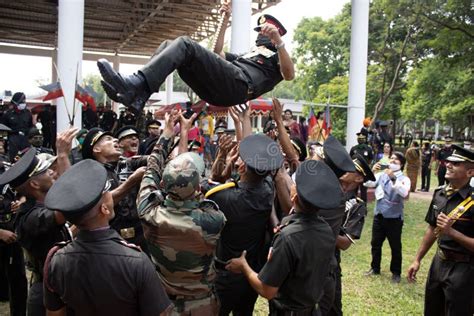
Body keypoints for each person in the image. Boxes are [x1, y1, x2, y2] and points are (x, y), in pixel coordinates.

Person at [97, 4, 294, 113]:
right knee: (168, 44)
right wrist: (225, 20)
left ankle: (135, 86)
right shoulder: (249, 53)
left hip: (239, 86)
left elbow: (289, 75)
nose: (261, 34)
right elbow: (218, 53)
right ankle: (139, 94)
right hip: (219, 88)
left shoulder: (278, 55)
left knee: (185, 43)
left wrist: (278, 42)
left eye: (266, 31)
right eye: (260, 31)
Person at [42, 159, 171, 315]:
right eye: (107, 192)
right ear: (104, 209)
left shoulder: (55, 260)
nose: (112, 195)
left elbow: (55, 313)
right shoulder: (136, 261)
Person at [137, 111, 226, 315]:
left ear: (162, 186)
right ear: (198, 190)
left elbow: (151, 168)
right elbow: (204, 198)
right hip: (202, 305)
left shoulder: (149, 213)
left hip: (163, 305)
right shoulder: (212, 220)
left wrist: (168, 133)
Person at [226, 159, 342, 315]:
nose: (291, 185)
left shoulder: (288, 238)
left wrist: (243, 266)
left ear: (294, 197)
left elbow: (267, 290)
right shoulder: (326, 230)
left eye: (294, 185)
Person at [206, 134, 284, 315]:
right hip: (250, 271)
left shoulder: (226, 197)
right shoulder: (267, 188)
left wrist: (221, 155)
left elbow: (212, 183)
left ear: (242, 167)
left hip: (225, 273)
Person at [0, 133, 75, 316]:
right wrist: (63, 155)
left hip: (63, 285)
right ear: (34, 183)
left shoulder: (45, 204)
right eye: (45, 171)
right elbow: (72, 204)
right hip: (47, 293)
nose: (52, 172)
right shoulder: (30, 216)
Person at [407, 145, 473, 315]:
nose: (449, 165)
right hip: (439, 263)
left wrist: (452, 232)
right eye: (449, 162)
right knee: (432, 310)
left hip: (465, 269)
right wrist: (417, 259)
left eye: (456, 164)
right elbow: (432, 228)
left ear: (470, 172)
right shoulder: (439, 194)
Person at [81, 127, 148, 251]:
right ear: (96, 149)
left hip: (140, 237)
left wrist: (172, 133)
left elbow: (156, 159)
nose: (115, 140)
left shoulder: (128, 164)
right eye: (108, 139)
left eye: (114, 138)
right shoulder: (90, 175)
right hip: (110, 242)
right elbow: (101, 204)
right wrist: (131, 182)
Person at [329, 154, 375, 316]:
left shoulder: (356, 206)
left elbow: (344, 243)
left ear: (359, 179)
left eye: (351, 169)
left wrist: (318, 229)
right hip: (307, 254)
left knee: (332, 309)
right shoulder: (325, 190)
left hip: (329, 261)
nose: (344, 169)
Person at [365, 152, 410, 283]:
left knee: (395, 246)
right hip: (379, 214)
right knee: (375, 243)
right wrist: (371, 171)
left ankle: (396, 272)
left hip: (394, 217)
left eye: (397, 160)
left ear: (401, 164)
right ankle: (375, 268)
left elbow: (404, 193)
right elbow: (368, 183)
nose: (393, 161)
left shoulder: (404, 179)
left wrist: (394, 179)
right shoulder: (381, 175)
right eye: (392, 158)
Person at [0, 141, 27, 316]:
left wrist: (23, 200)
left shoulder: (8, 167)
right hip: (2, 232)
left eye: (2, 140)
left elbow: (25, 188)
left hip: (12, 231)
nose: (1, 143)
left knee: (18, 282)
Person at [1, 92, 33, 162]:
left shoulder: (27, 113)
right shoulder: (8, 114)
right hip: (13, 141)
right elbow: (3, 130)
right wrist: (3, 145)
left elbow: (31, 126)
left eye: (25, 101)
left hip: (25, 140)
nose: (24, 103)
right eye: (22, 101)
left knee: (26, 161)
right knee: (15, 161)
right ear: (16, 102)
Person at [350, 132, 374, 201]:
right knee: (354, 189)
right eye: (359, 139)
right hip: (355, 172)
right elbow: (351, 158)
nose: (360, 140)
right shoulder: (354, 149)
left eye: (362, 139)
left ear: (365, 139)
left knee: (364, 190)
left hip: (364, 173)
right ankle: (353, 203)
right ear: (357, 140)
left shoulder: (368, 149)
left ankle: (363, 205)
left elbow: (370, 159)